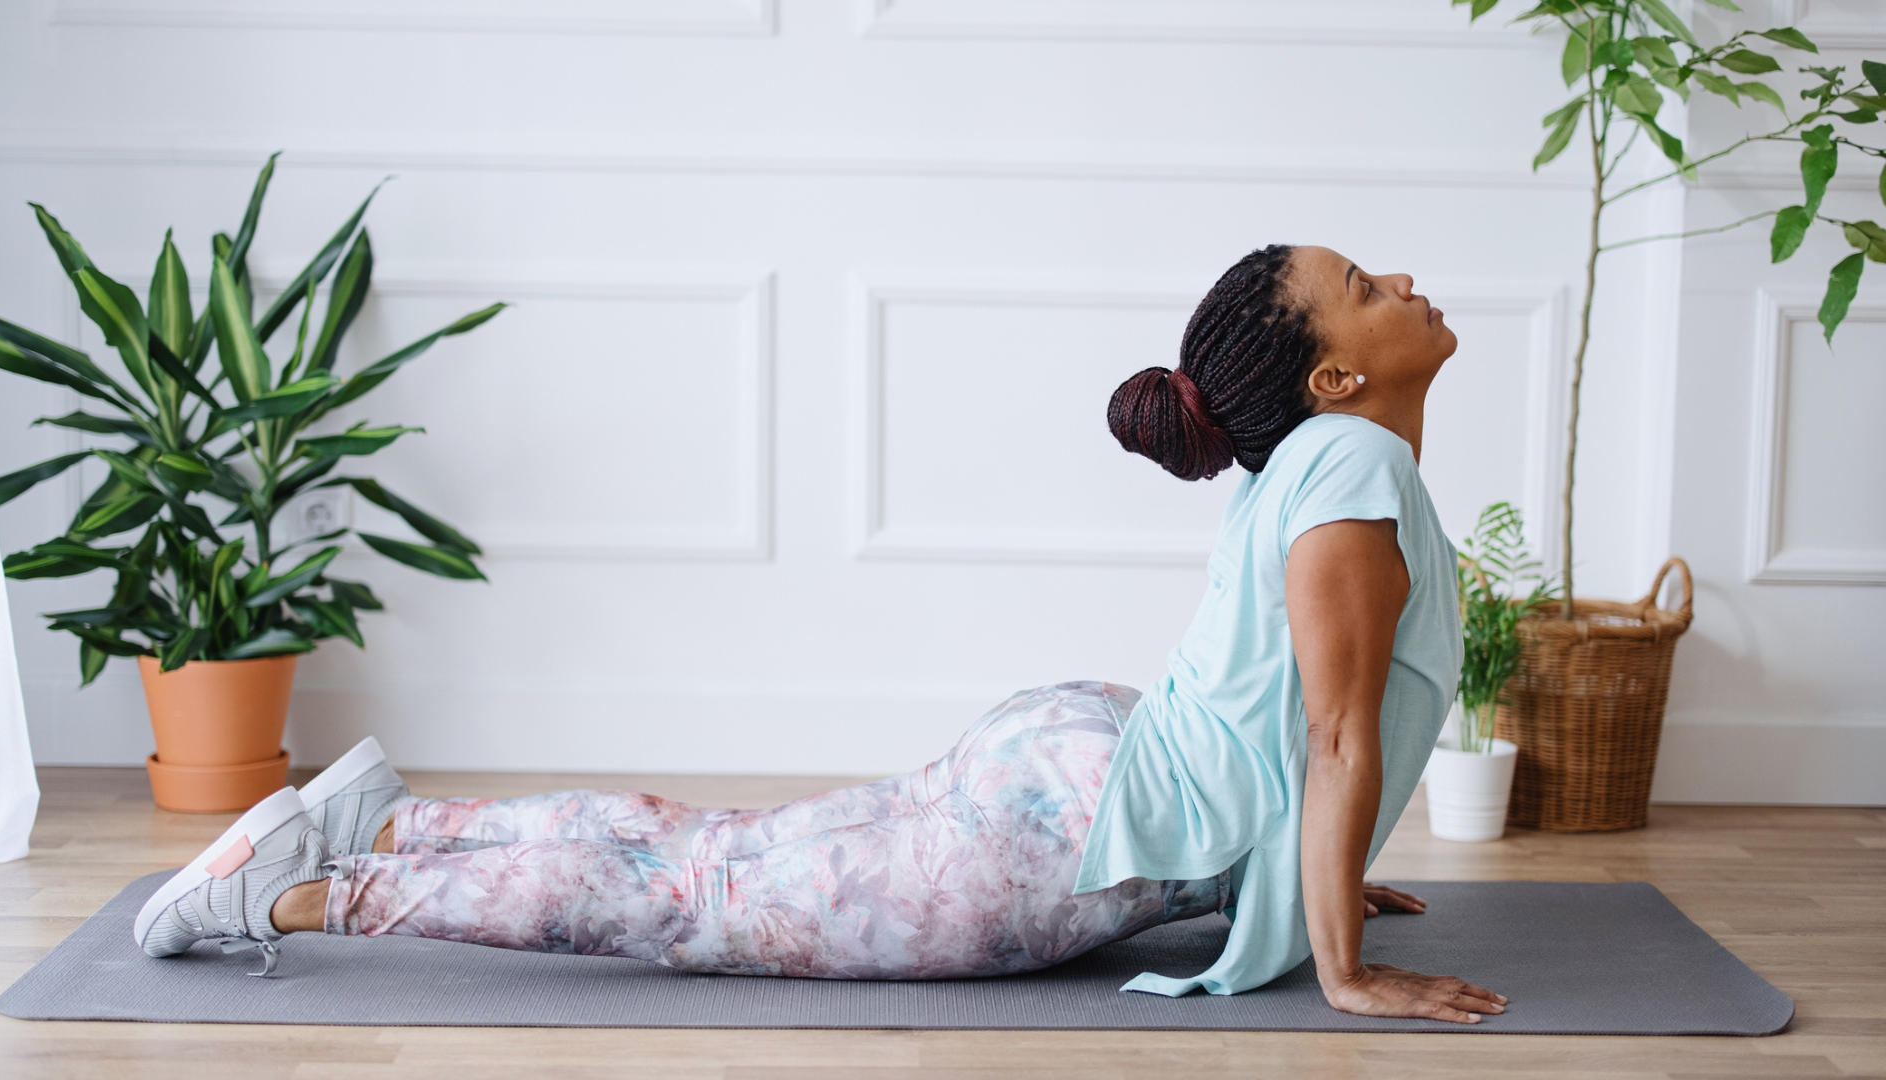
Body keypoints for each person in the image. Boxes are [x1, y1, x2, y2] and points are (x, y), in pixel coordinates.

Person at [134, 244, 1507, 1024]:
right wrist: (1341, 969)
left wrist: (1302, 874)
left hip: (1080, 768)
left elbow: (1293, 726)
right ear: (1336, 376)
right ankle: (294, 890)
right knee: (701, 898)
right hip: (1069, 824)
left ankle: (388, 821)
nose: (1401, 277)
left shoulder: (1319, 463)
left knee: (712, 849)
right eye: (1365, 283)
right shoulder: (1354, 470)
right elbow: (1331, 735)